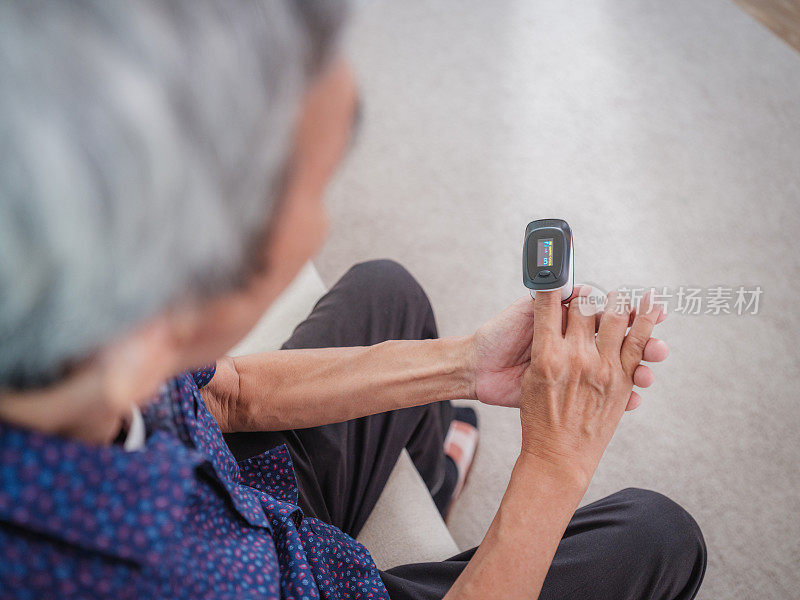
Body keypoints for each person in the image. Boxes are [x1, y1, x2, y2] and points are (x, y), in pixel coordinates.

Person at [0, 2, 706, 599]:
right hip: (279, 574)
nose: (320, 224)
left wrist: (468, 365)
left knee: (386, 288)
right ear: (164, 308)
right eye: (309, 189)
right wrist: (556, 463)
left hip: (245, 496)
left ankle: (431, 481)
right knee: (657, 535)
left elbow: (227, 394)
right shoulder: (162, 576)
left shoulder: (77, 332)